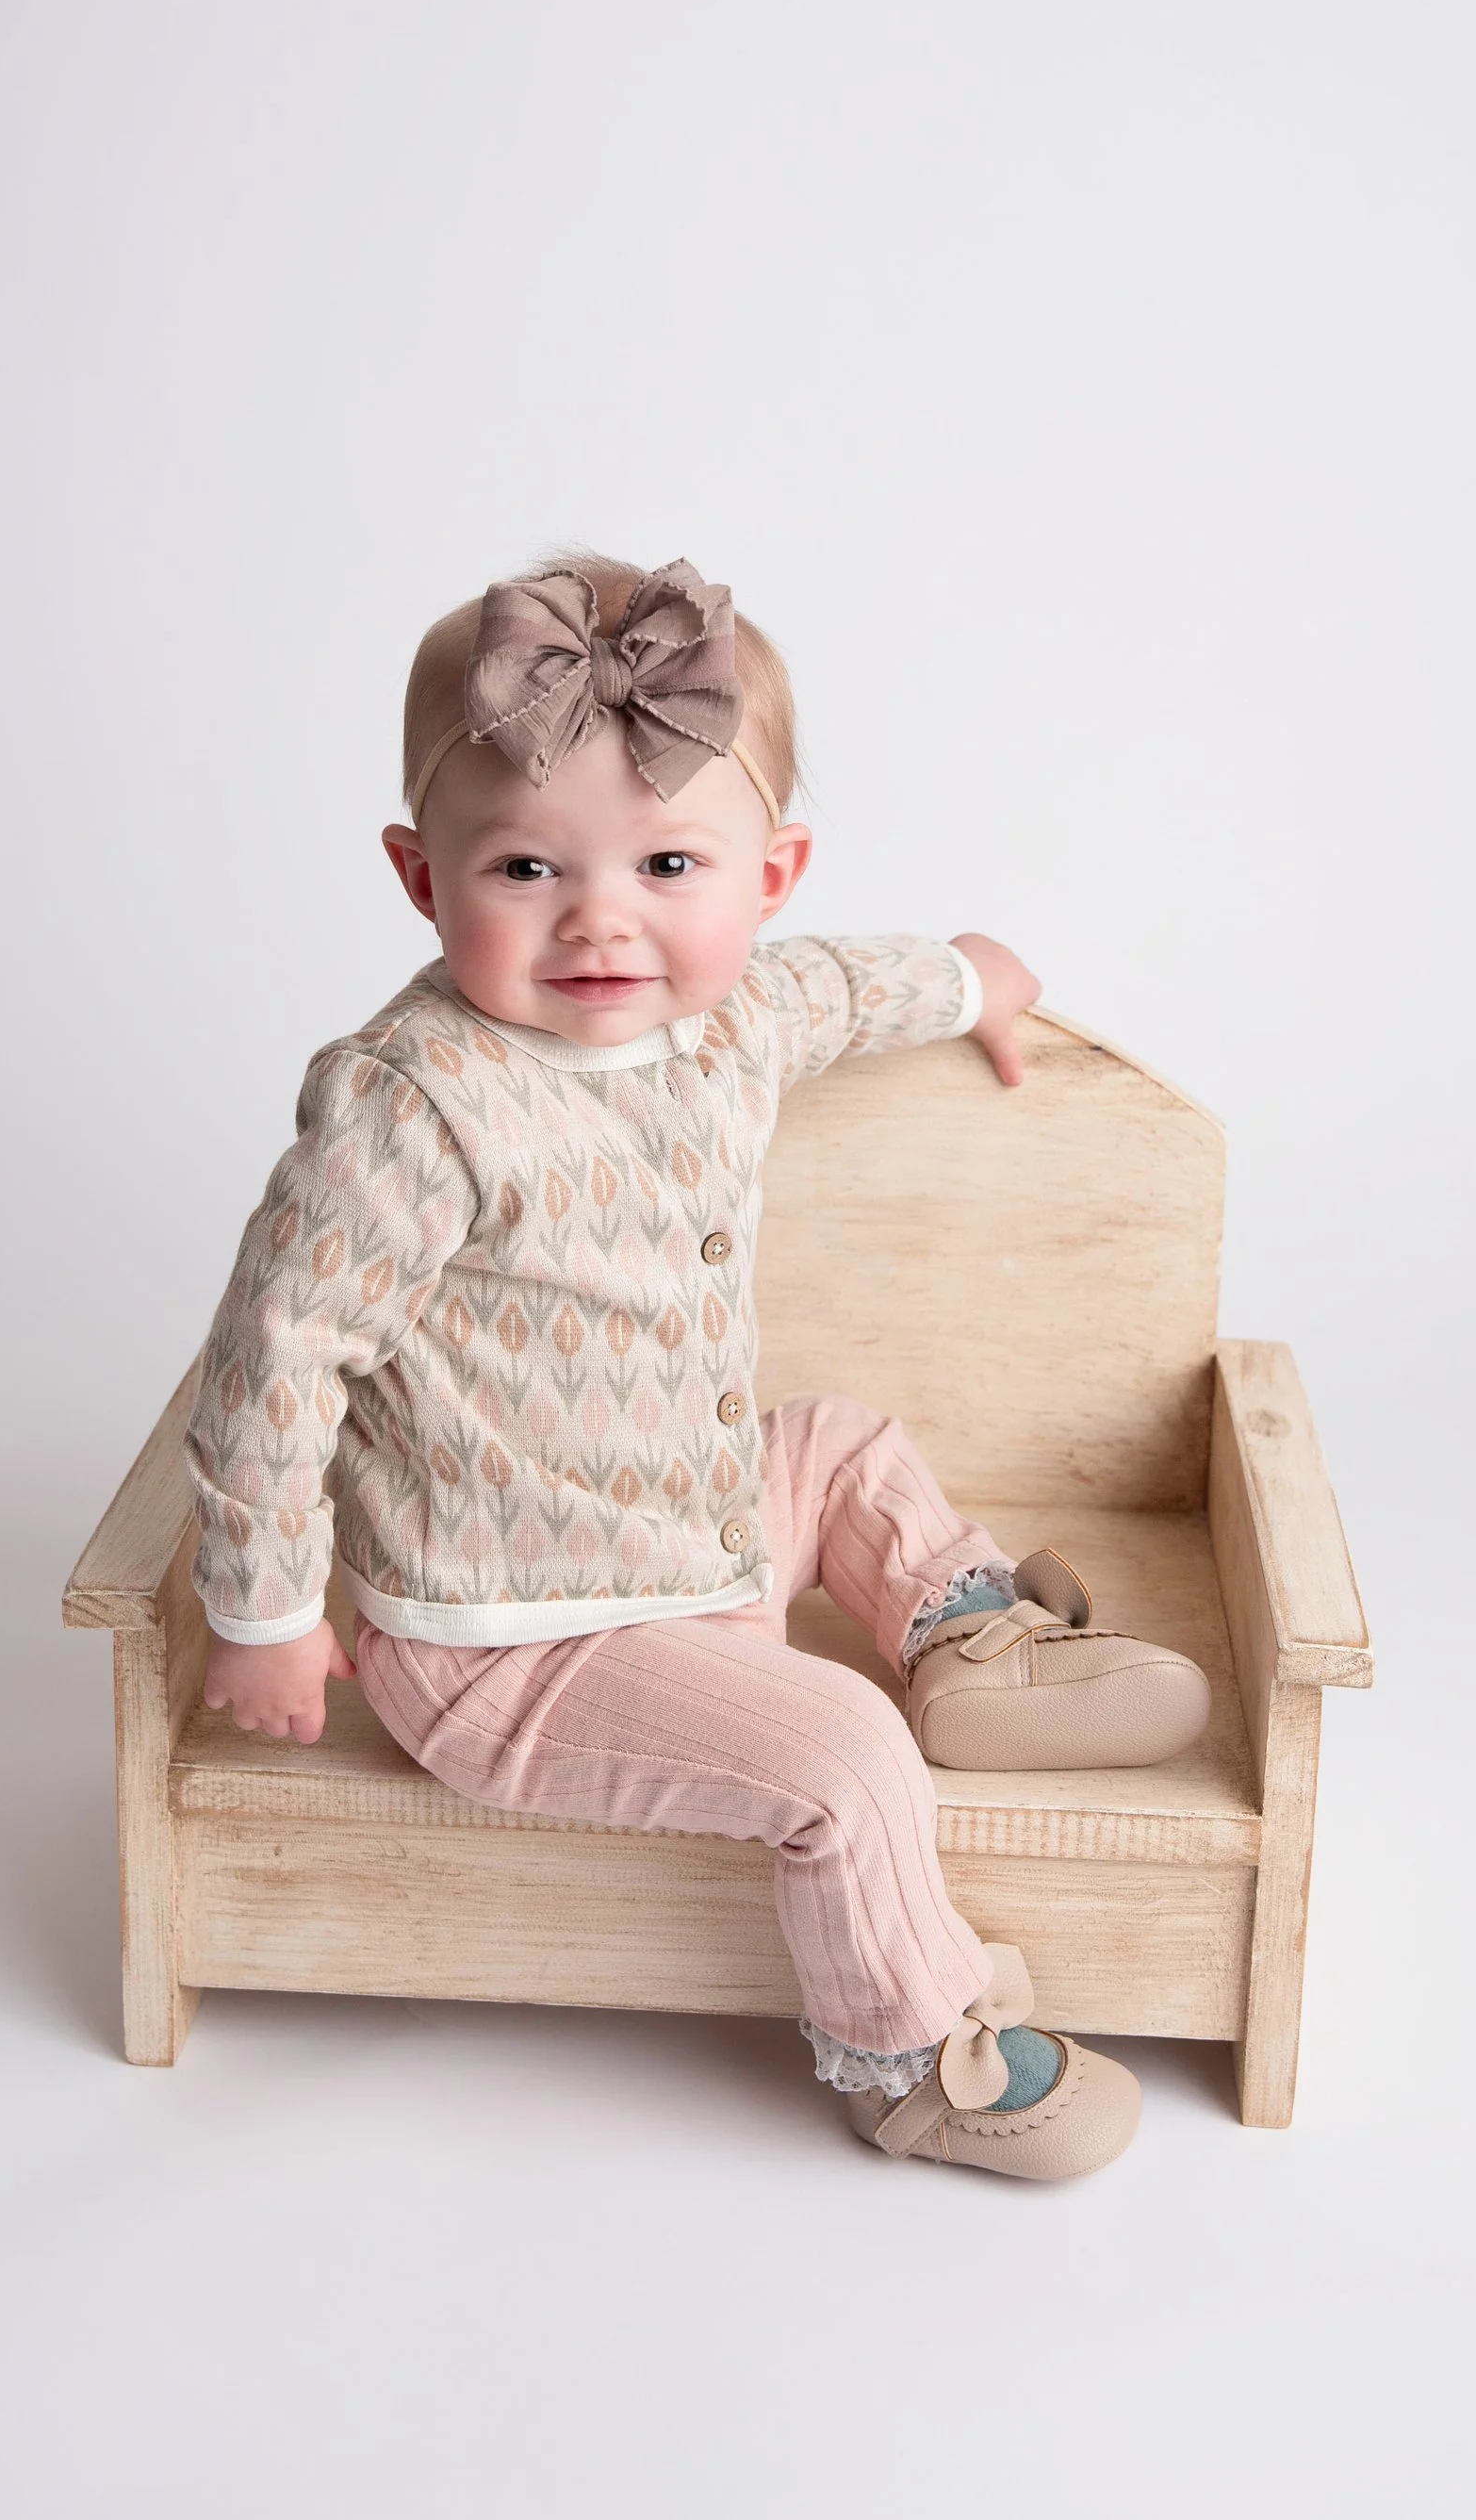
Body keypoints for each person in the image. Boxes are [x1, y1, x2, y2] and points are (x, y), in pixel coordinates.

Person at [183, 553, 1205, 2179]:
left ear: (769, 872)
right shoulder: (419, 1104)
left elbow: (837, 990)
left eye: (669, 862)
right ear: (421, 875)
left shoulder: (730, 1017)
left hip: (690, 1534)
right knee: (840, 1753)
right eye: (526, 865)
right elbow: (275, 1351)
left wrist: (971, 978)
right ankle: (908, 2052)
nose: (603, 917)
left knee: (840, 1442)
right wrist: (264, 1611)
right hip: (510, 1639)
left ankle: (967, 1646)